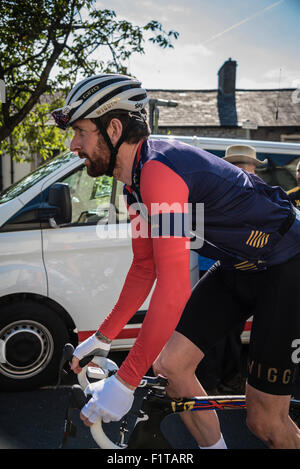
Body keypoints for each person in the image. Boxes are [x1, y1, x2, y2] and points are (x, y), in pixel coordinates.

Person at [52, 73, 300, 449]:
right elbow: (144, 268)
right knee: (171, 367)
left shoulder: (158, 172)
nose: (74, 144)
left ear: (114, 127)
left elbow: (173, 289)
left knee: (265, 419)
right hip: (240, 266)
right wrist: (103, 337)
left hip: (287, 264)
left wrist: (125, 382)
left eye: (81, 132)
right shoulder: (133, 182)